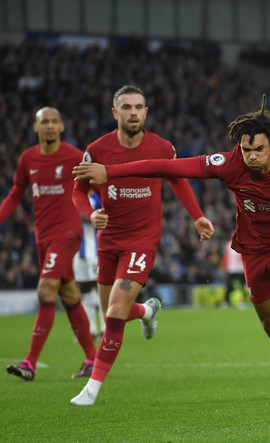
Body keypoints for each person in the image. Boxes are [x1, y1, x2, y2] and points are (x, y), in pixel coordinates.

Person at [72, 96, 270, 408]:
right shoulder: (228, 164)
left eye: (258, 150)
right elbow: (165, 166)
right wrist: (110, 173)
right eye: (245, 149)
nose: (251, 156)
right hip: (253, 250)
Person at [69, 85, 214, 405]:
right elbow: (78, 190)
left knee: (117, 309)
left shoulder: (162, 147)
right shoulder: (98, 149)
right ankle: (148, 311)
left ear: (146, 113)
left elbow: (178, 179)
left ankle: (91, 390)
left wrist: (197, 216)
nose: (133, 112)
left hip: (143, 240)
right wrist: (90, 214)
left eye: (139, 107)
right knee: (111, 315)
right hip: (109, 241)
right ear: (115, 113)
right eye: (127, 107)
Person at [1, 107, 97, 381]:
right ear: (36, 128)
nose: (50, 126)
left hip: (67, 234)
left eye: (55, 121)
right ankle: (92, 359)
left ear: (62, 126)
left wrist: (103, 211)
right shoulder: (27, 158)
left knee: (45, 291)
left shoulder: (74, 156)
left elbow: (97, 184)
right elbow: (15, 194)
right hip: (42, 237)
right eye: (45, 122)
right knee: (68, 296)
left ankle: (29, 363)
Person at [73, 190, 105, 340]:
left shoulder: (96, 198)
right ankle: (91, 330)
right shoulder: (74, 196)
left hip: (95, 251)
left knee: (100, 290)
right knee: (84, 290)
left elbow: (100, 217)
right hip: (78, 252)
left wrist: (79, 215)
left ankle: (105, 329)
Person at [219, 240, 247, 308]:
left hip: (240, 269)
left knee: (241, 287)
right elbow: (226, 256)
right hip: (231, 269)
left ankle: (241, 302)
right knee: (229, 286)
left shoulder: (243, 242)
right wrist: (223, 266)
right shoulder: (229, 244)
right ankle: (226, 301)